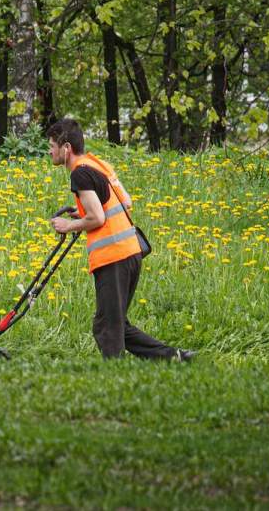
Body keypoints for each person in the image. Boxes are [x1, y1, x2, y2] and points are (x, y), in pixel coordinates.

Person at [46, 118, 195, 362]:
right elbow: (124, 201)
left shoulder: (79, 175)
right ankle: (175, 358)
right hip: (131, 253)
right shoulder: (98, 164)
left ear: (66, 148)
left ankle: (115, 377)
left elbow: (97, 217)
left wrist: (68, 225)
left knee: (107, 328)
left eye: (52, 145)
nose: (49, 151)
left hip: (112, 256)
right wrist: (82, 211)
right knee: (117, 325)